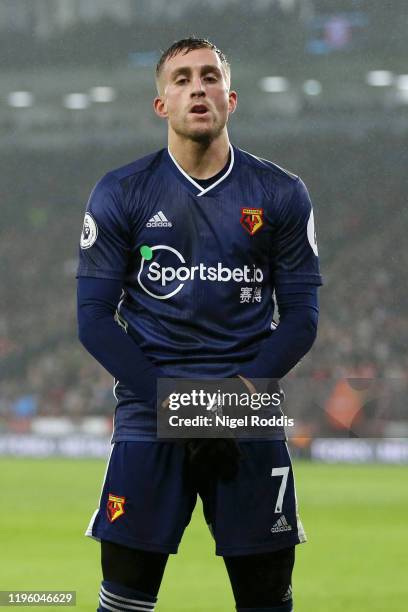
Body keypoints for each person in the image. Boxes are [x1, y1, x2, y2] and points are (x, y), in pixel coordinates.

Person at [77, 37, 322, 612]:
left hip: (247, 415)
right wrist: (179, 410)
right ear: (161, 103)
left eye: (209, 77)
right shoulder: (122, 191)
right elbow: (92, 319)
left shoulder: (280, 193)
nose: (198, 88)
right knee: (124, 602)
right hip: (149, 414)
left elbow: (303, 319)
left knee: (266, 601)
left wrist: (225, 408)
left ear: (230, 99)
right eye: (182, 78)